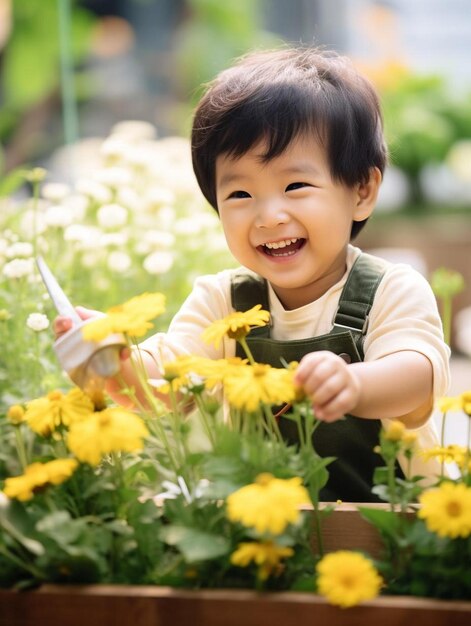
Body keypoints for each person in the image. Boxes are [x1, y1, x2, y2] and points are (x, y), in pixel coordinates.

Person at [55, 47, 450, 501]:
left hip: (391, 531)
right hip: (261, 535)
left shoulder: (391, 290)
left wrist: (354, 383)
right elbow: (169, 385)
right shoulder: (222, 301)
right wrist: (110, 359)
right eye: (240, 193)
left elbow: (416, 377)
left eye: (295, 186)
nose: (268, 215)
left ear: (361, 190)